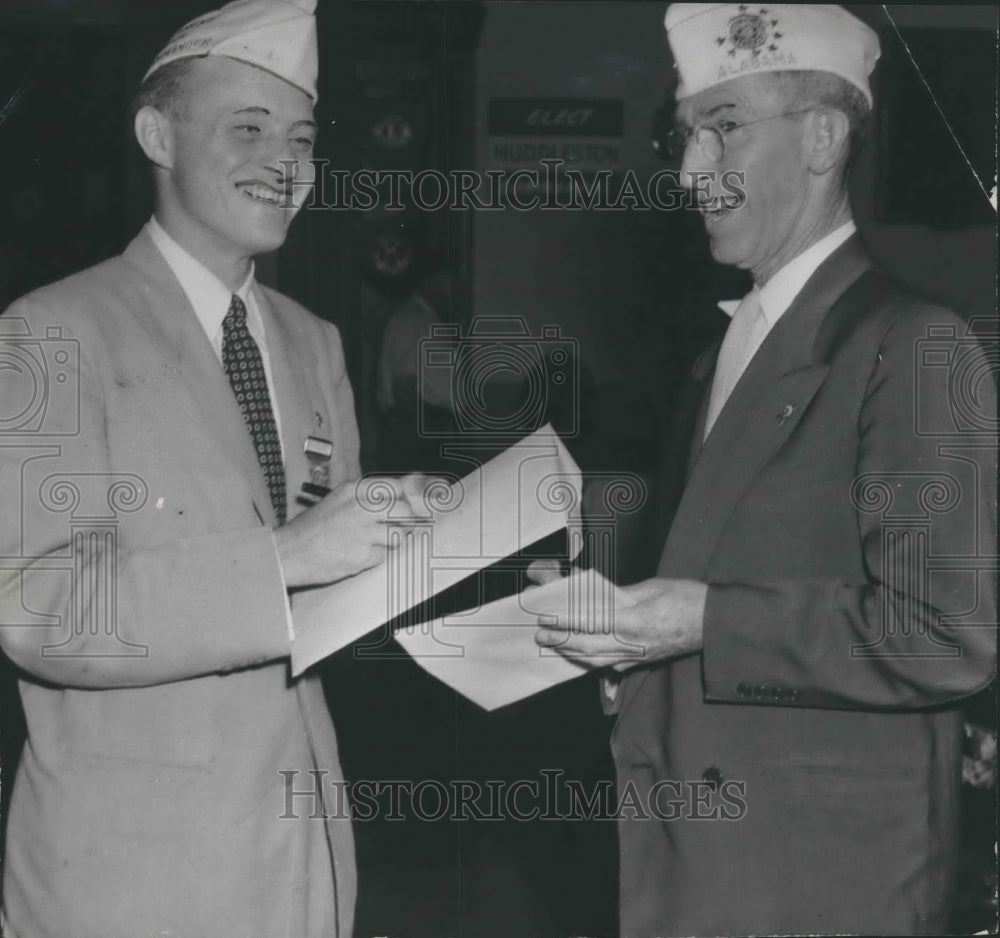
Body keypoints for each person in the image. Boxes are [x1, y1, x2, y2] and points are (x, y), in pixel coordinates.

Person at [535, 4, 997, 935]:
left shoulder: (915, 345)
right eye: (685, 137)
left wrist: (694, 620)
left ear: (824, 138)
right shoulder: (724, 353)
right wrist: (630, 649)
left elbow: (948, 630)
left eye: (725, 129)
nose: (692, 169)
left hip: (823, 884)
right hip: (708, 864)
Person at [0, 2, 421, 936]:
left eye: (304, 138)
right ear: (157, 133)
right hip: (131, 882)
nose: (289, 164)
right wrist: (288, 557)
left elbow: (319, 614)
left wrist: (431, 562)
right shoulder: (50, 334)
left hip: (301, 867)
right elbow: (41, 608)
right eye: (250, 129)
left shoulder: (316, 344)